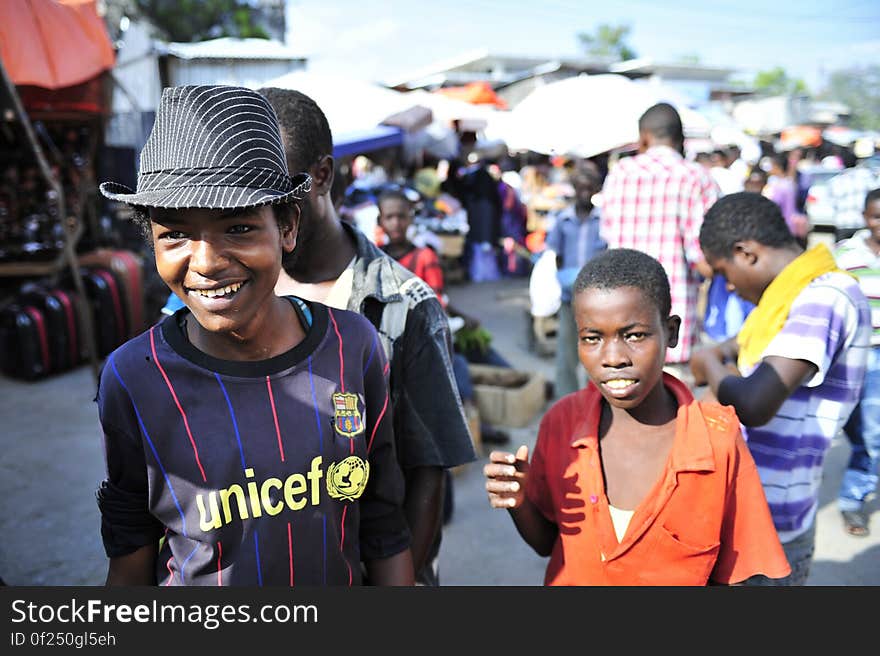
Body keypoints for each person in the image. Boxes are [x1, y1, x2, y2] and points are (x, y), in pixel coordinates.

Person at [95, 84, 414, 586]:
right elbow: (129, 554)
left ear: (286, 227)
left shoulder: (354, 348)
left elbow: (383, 524)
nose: (206, 263)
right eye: (175, 234)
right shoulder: (134, 379)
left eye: (239, 228)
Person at [258, 87, 476, 586]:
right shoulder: (242, 290)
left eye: (280, 191)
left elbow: (427, 470)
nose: (266, 211)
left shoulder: (403, 305)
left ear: (323, 177)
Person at [483, 248, 791, 585]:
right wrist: (520, 501)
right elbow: (549, 544)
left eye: (634, 335)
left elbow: (736, 573)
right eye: (592, 338)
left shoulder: (716, 441)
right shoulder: (562, 423)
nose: (613, 357)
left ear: (670, 333)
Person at [690, 191, 871, 585]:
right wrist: (717, 354)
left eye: (724, 273)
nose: (730, 288)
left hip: (769, 523)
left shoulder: (826, 296)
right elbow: (736, 345)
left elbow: (755, 402)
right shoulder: (786, 299)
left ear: (746, 253)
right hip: (748, 510)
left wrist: (710, 364)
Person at [375, 187, 512, 446]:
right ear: (380, 221)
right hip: (387, 341)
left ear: (410, 218)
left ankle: (474, 419)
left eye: (401, 216)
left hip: (422, 337)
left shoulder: (425, 257)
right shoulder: (374, 258)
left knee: (456, 362)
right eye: (389, 217)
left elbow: (434, 303)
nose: (396, 223)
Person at [600, 102, 719, 383]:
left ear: (643, 138)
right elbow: (704, 258)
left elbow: (606, 236)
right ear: (682, 141)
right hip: (670, 330)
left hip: (619, 324)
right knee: (671, 414)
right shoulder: (697, 178)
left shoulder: (620, 174)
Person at [833, 187, 880, 536]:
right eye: (876, 216)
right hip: (856, 354)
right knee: (861, 428)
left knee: (873, 431)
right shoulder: (845, 255)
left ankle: (855, 494)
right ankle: (858, 485)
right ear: (865, 217)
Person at [544, 159, 606, 398]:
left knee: (597, 352)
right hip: (570, 298)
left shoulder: (602, 220)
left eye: (588, 188)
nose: (584, 193)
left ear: (595, 190)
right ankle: (566, 400)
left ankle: (596, 399)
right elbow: (556, 255)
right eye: (580, 188)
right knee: (567, 353)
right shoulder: (563, 220)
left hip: (597, 300)